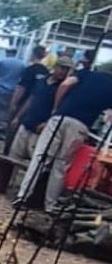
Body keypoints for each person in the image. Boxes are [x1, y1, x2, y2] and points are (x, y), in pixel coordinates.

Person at [15, 64, 112, 211]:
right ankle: (50, 205)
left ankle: (22, 196)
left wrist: (56, 107)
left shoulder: (85, 74)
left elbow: (65, 84)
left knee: (40, 157)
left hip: (59, 117)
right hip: (81, 125)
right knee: (61, 164)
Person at [8, 56, 72, 163]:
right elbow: (31, 99)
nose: (63, 71)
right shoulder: (41, 81)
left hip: (41, 129)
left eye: (66, 69)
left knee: (35, 160)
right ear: (56, 67)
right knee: (14, 155)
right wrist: (18, 117)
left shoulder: (63, 88)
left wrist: (47, 123)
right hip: (27, 122)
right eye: (62, 68)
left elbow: (60, 109)